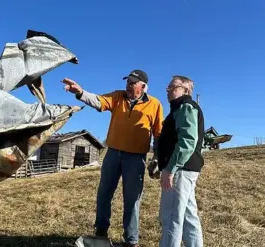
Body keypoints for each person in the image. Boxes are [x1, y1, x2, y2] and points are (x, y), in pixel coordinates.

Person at [61, 69, 164, 247]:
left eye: (132, 82)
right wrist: (80, 92)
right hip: (113, 154)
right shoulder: (118, 97)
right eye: (128, 82)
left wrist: (158, 157)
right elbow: (99, 101)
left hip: (135, 158)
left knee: (132, 199)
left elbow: (159, 133)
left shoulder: (155, 104)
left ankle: (131, 240)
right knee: (104, 194)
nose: (128, 85)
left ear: (143, 86)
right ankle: (100, 233)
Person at [157, 75, 205, 247]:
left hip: (180, 170)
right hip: (185, 169)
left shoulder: (185, 107)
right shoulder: (179, 109)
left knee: (171, 216)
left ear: (186, 90)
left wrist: (171, 168)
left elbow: (187, 141)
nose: (168, 89)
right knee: (188, 215)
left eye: (173, 86)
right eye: (168, 86)